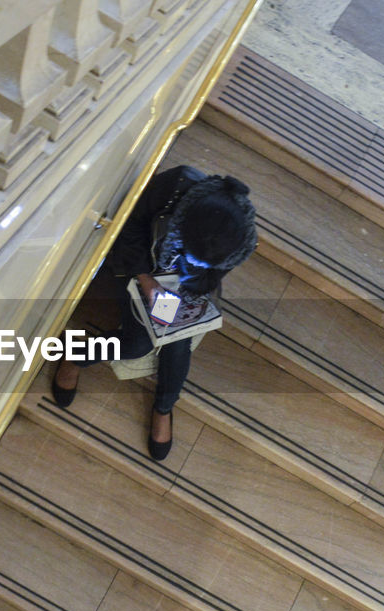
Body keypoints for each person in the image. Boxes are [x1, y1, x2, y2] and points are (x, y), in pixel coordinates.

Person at [52, 165, 256, 460]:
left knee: (177, 342)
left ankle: (164, 406)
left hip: (182, 287)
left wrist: (189, 297)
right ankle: (76, 357)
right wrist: (146, 280)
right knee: (137, 345)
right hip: (138, 267)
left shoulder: (240, 239)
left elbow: (212, 278)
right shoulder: (174, 188)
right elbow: (127, 231)